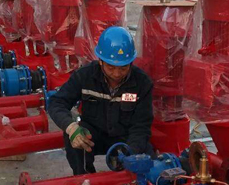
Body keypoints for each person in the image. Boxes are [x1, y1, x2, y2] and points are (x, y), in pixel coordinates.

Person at [48, 26, 154, 175]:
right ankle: (84, 178)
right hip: (93, 136)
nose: (116, 74)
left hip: (126, 138)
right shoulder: (85, 76)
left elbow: (141, 126)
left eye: (123, 68)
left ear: (131, 62)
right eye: (111, 67)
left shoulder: (143, 83)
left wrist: (130, 152)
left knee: (149, 164)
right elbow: (56, 103)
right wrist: (71, 128)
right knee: (74, 139)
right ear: (100, 61)